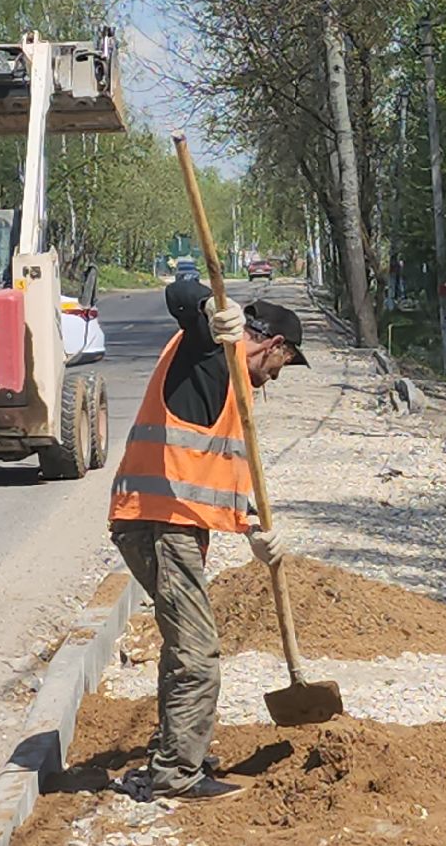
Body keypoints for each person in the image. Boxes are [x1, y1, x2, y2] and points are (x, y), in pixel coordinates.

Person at [106, 279, 309, 801]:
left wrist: (251, 531)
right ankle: (176, 771)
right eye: (283, 364)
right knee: (197, 650)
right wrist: (211, 307)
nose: (278, 376)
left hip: (169, 520)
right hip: (159, 521)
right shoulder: (212, 350)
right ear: (275, 345)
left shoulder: (234, 384)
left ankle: (176, 747)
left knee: (184, 640)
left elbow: (214, 470)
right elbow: (181, 295)